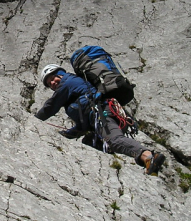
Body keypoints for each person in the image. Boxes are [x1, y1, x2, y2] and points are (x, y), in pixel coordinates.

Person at [35, 64, 166, 175]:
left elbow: (50, 107)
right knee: (89, 143)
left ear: (60, 74)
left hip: (103, 113)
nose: (52, 83)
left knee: (114, 140)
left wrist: (34, 119)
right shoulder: (71, 88)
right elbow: (83, 120)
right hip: (99, 116)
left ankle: (148, 156)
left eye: (52, 78)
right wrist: (70, 133)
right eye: (49, 83)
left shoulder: (67, 83)